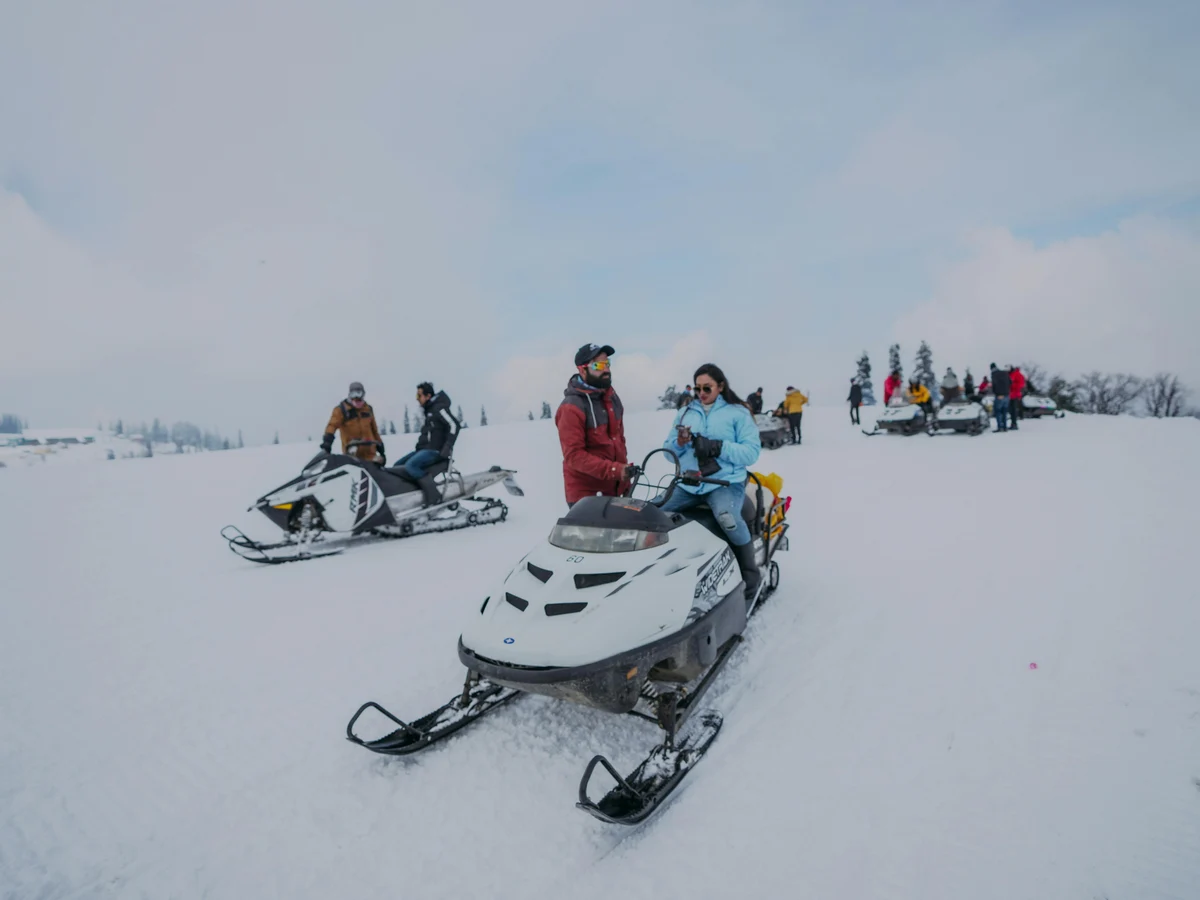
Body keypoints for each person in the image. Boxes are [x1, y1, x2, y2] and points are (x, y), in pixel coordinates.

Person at [663, 363, 763, 599]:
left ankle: (750, 573)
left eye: (707, 387)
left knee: (727, 517)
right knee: (654, 513)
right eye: (698, 388)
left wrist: (719, 447)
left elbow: (751, 453)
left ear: (720, 386)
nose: (702, 394)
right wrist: (678, 443)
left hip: (725, 482)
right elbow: (667, 454)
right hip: (689, 483)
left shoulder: (737, 413)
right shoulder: (686, 413)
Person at [555, 343, 632, 507]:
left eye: (607, 364)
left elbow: (619, 441)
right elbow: (574, 456)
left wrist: (623, 478)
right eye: (598, 365)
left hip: (615, 489)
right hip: (587, 497)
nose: (606, 370)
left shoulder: (612, 398)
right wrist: (615, 470)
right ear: (582, 370)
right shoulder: (571, 407)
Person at [394, 382, 461, 505]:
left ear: (428, 396)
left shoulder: (439, 408)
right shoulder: (429, 410)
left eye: (419, 396)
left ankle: (434, 496)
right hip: (424, 450)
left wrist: (447, 447)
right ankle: (412, 494)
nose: (417, 399)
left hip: (435, 450)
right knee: (397, 467)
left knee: (410, 466)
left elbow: (454, 425)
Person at [321, 381, 383, 462]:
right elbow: (332, 425)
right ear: (350, 395)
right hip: (352, 455)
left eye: (359, 393)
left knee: (378, 470)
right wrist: (327, 440)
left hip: (370, 454)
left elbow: (374, 430)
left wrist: (380, 446)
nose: (357, 398)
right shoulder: (342, 410)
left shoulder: (368, 409)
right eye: (354, 394)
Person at [989, 363, 1011, 432]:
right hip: (1007, 395)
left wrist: (996, 392)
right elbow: (1010, 382)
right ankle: (1005, 427)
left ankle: (1000, 427)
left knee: (998, 412)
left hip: (999, 395)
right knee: (1004, 411)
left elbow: (994, 384)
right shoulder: (1004, 373)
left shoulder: (994, 374)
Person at [1009, 365, 1026, 430]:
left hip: (1013, 394)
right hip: (1016, 394)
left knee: (1012, 410)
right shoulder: (1020, 375)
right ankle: (1014, 423)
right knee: (1014, 409)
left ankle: (1014, 424)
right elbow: (1022, 384)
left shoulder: (1015, 374)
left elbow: (1012, 383)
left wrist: (1012, 386)